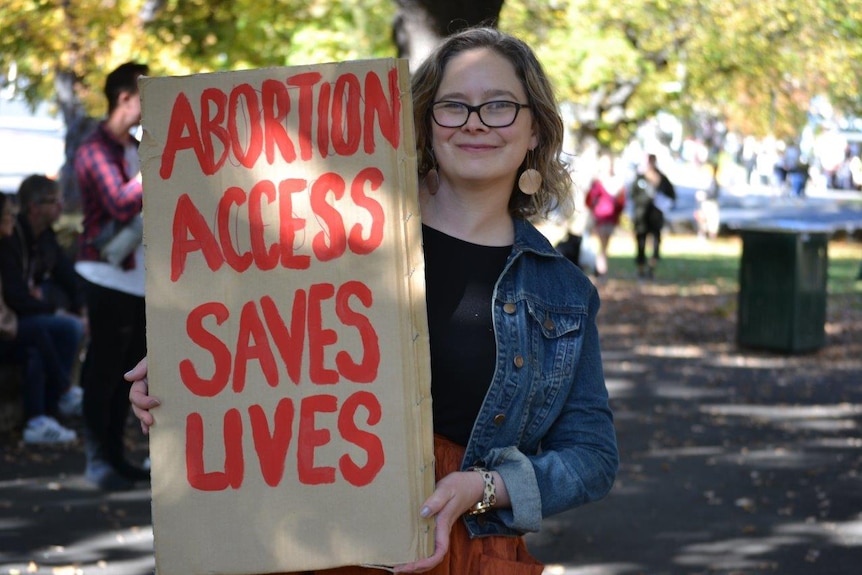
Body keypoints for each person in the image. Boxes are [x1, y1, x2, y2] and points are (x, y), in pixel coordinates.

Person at [128, 28, 619, 574]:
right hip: (310, 541)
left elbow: (592, 458)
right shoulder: (332, 236)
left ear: (535, 131)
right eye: (453, 106)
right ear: (426, 123)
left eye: (500, 106)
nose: (475, 121)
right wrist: (193, 376)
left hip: (463, 551)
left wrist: (484, 488)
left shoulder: (563, 294)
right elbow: (258, 348)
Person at [74, 61, 149, 490]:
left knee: (126, 374)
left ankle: (117, 459)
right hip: (104, 277)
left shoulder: (129, 147)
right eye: (144, 94)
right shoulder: (93, 149)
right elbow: (121, 204)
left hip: (132, 280)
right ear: (124, 97)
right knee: (102, 372)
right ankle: (97, 460)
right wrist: (153, 166)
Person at [0, 175, 87, 418]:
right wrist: (53, 309)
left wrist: (81, 308)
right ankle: (65, 393)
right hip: (13, 320)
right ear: (34, 207)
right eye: (54, 201)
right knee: (64, 328)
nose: (61, 206)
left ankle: (50, 411)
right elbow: (15, 295)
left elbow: (68, 277)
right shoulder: (11, 239)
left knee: (49, 340)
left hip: (23, 317)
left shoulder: (45, 237)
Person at [631, 153, 676, 279]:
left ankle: (651, 267)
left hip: (656, 217)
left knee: (656, 243)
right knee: (641, 242)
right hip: (642, 217)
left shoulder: (662, 179)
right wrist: (646, 199)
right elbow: (633, 195)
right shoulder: (640, 178)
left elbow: (671, 195)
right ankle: (640, 268)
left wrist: (664, 203)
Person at [585, 154, 626, 279]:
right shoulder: (597, 182)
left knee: (605, 245)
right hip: (600, 218)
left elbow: (621, 201)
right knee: (602, 245)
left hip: (611, 218)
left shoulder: (617, 182)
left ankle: (600, 268)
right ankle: (601, 269)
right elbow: (589, 199)